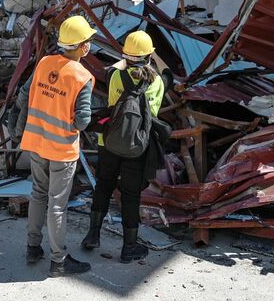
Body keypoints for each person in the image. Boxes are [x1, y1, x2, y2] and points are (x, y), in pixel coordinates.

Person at [15, 15, 96, 277]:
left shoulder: (44, 63)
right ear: (81, 46)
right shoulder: (83, 76)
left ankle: (32, 247)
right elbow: (82, 121)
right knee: (57, 205)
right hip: (61, 149)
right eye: (88, 41)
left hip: (36, 144)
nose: (90, 45)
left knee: (38, 194)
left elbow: (24, 95)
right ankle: (59, 261)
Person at [82, 30, 165, 263]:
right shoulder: (157, 82)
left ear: (126, 55)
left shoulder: (115, 76)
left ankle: (92, 235)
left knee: (104, 185)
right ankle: (129, 247)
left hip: (108, 142)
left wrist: (127, 59)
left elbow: (120, 71)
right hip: (137, 145)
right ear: (149, 55)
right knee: (130, 195)